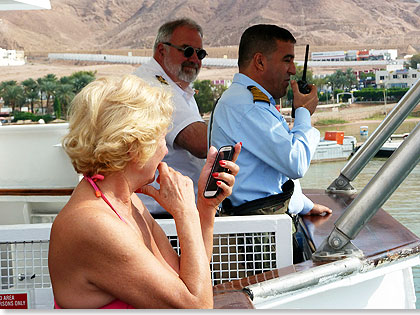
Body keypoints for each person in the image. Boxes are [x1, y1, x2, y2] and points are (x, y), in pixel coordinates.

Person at [48, 75, 241, 309]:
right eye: (161, 139)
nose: (165, 151)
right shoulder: (94, 224)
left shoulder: (126, 200)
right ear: (133, 148)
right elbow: (196, 306)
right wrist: (186, 212)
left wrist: (205, 207)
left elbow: (189, 279)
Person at [210, 24, 331, 217]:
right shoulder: (249, 106)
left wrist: (305, 206)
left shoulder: (245, 100)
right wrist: (303, 113)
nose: (292, 70)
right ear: (260, 62)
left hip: (264, 219)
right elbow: (296, 164)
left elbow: (268, 177)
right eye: (287, 60)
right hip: (259, 230)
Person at [133, 18, 208, 218]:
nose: (194, 59)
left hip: (172, 209)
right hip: (161, 214)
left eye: (199, 53)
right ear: (161, 50)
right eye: (186, 50)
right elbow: (201, 144)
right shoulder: (155, 87)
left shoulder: (176, 85)